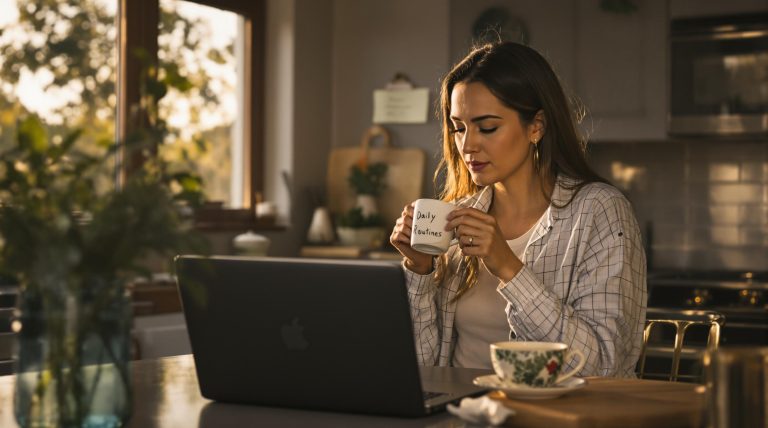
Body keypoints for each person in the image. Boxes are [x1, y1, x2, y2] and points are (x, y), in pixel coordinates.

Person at [389, 41, 646, 377]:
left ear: (536, 126)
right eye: (459, 128)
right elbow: (422, 370)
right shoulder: (453, 219)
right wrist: (419, 270)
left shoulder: (598, 211)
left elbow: (602, 366)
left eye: (487, 127)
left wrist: (509, 267)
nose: (467, 145)